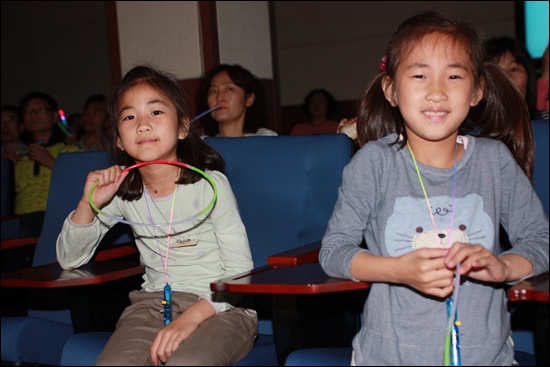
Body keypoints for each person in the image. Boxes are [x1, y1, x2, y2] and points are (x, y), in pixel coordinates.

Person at [319, 10, 548, 366]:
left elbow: (540, 239)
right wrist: (397, 270)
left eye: (454, 75)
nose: (437, 92)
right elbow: (334, 250)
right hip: (389, 357)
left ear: (477, 91)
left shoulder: (494, 161)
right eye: (420, 75)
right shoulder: (374, 162)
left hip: (487, 358)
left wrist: (505, 267)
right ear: (392, 90)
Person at [56, 65, 257, 365]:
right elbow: (69, 259)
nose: (143, 125)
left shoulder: (210, 185)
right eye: (129, 116)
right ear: (119, 140)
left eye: (156, 112)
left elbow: (240, 274)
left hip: (222, 306)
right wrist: (88, 203)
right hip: (152, 305)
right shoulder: (123, 191)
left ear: (182, 127)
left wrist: (190, 319)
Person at [15, 92, 82, 237]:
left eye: (39, 109)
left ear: (54, 116)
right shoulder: (19, 156)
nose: (33, 114)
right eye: (27, 111)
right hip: (19, 217)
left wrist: (50, 162)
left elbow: (80, 185)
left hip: (56, 215)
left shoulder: (70, 151)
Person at [196, 64, 277, 137]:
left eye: (229, 89)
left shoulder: (265, 140)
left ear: (249, 99)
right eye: (213, 91)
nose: (219, 97)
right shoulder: (202, 146)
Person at [484, 37, 547, 120]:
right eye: (496, 71)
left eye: (514, 69)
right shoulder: (464, 130)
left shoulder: (545, 124)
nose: (506, 77)